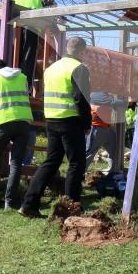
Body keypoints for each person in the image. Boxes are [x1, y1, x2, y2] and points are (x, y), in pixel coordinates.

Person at [20, 37, 92, 218]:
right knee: (76, 163)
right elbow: (81, 98)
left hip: (51, 120)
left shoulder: (51, 68)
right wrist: (87, 123)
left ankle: (29, 204)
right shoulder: (79, 68)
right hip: (70, 121)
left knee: (51, 162)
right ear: (82, 51)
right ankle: (71, 207)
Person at [0, 59, 35, 210]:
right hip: (24, 122)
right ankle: (9, 202)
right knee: (16, 162)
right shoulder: (22, 77)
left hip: (4, 122)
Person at [85, 91, 128, 174]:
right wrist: (126, 101)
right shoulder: (96, 94)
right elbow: (118, 104)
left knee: (114, 152)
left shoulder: (105, 95)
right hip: (96, 129)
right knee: (89, 153)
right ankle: (79, 175)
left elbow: (116, 105)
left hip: (107, 128)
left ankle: (112, 173)